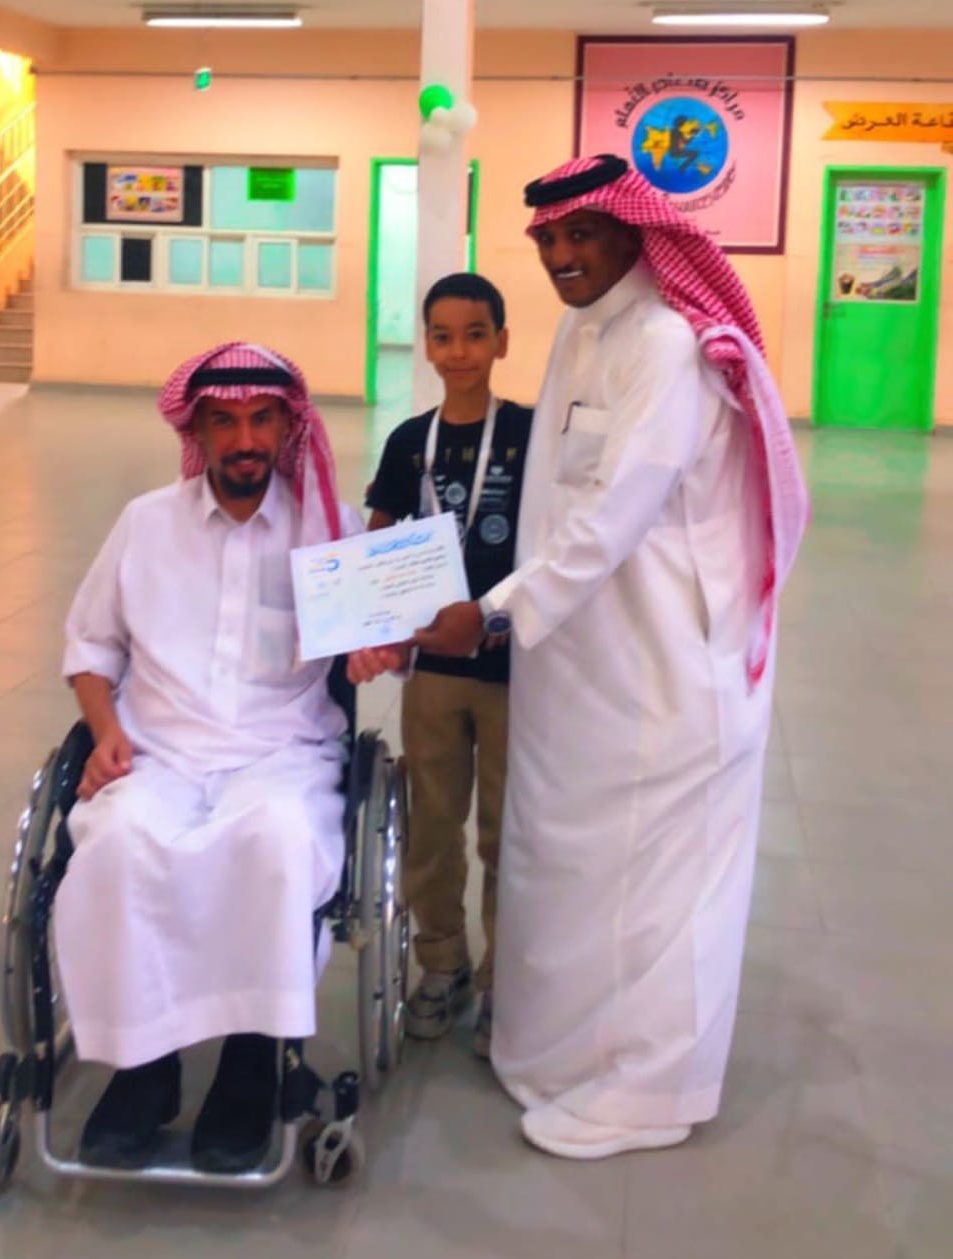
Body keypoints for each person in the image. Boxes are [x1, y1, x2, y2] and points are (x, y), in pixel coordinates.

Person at [407, 154, 809, 1159]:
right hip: (579, 670)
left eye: (581, 232)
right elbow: (556, 503)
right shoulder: (581, 333)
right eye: (547, 238)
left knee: (658, 896)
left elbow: (613, 517)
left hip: (662, 675)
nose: (560, 254)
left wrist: (489, 614)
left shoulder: (668, 346)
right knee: (579, 874)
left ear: (636, 231)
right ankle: (560, 1055)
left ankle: (648, 1090)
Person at [54, 342, 364, 1173]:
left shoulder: (328, 531)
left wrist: (382, 647)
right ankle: (143, 1065)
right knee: (120, 843)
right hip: (159, 752)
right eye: (223, 422)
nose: (245, 439)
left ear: (288, 427)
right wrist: (103, 728)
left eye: (262, 419)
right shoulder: (145, 523)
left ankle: (250, 1064)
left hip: (282, 755)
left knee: (273, 842)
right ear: (195, 431)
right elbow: (91, 644)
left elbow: (382, 644)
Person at [358, 273, 532, 1059]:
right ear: (425, 344)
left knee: (506, 830)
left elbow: (561, 542)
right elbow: (378, 540)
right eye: (442, 336)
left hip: (514, 670)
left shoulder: (531, 435)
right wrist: (374, 625)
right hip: (433, 674)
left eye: (475, 334)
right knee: (432, 824)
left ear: (502, 340)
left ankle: (503, 978)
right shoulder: (408, 441)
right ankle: (442, 962)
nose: (458, 351)